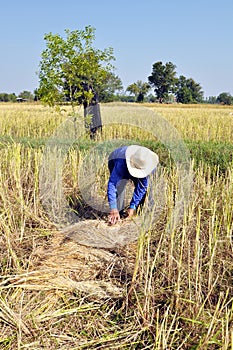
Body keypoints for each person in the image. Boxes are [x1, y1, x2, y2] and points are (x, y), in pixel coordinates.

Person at [107, 145, 159, 225]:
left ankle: (137, 214)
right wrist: (113, 208)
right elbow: (113, 184)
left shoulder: (149, 166)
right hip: (115, 159)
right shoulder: (121, 163)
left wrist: (133, 206)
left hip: (139, 167)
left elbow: (142, 187)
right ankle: (117, 214)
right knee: (119, 186)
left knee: (147, 190)